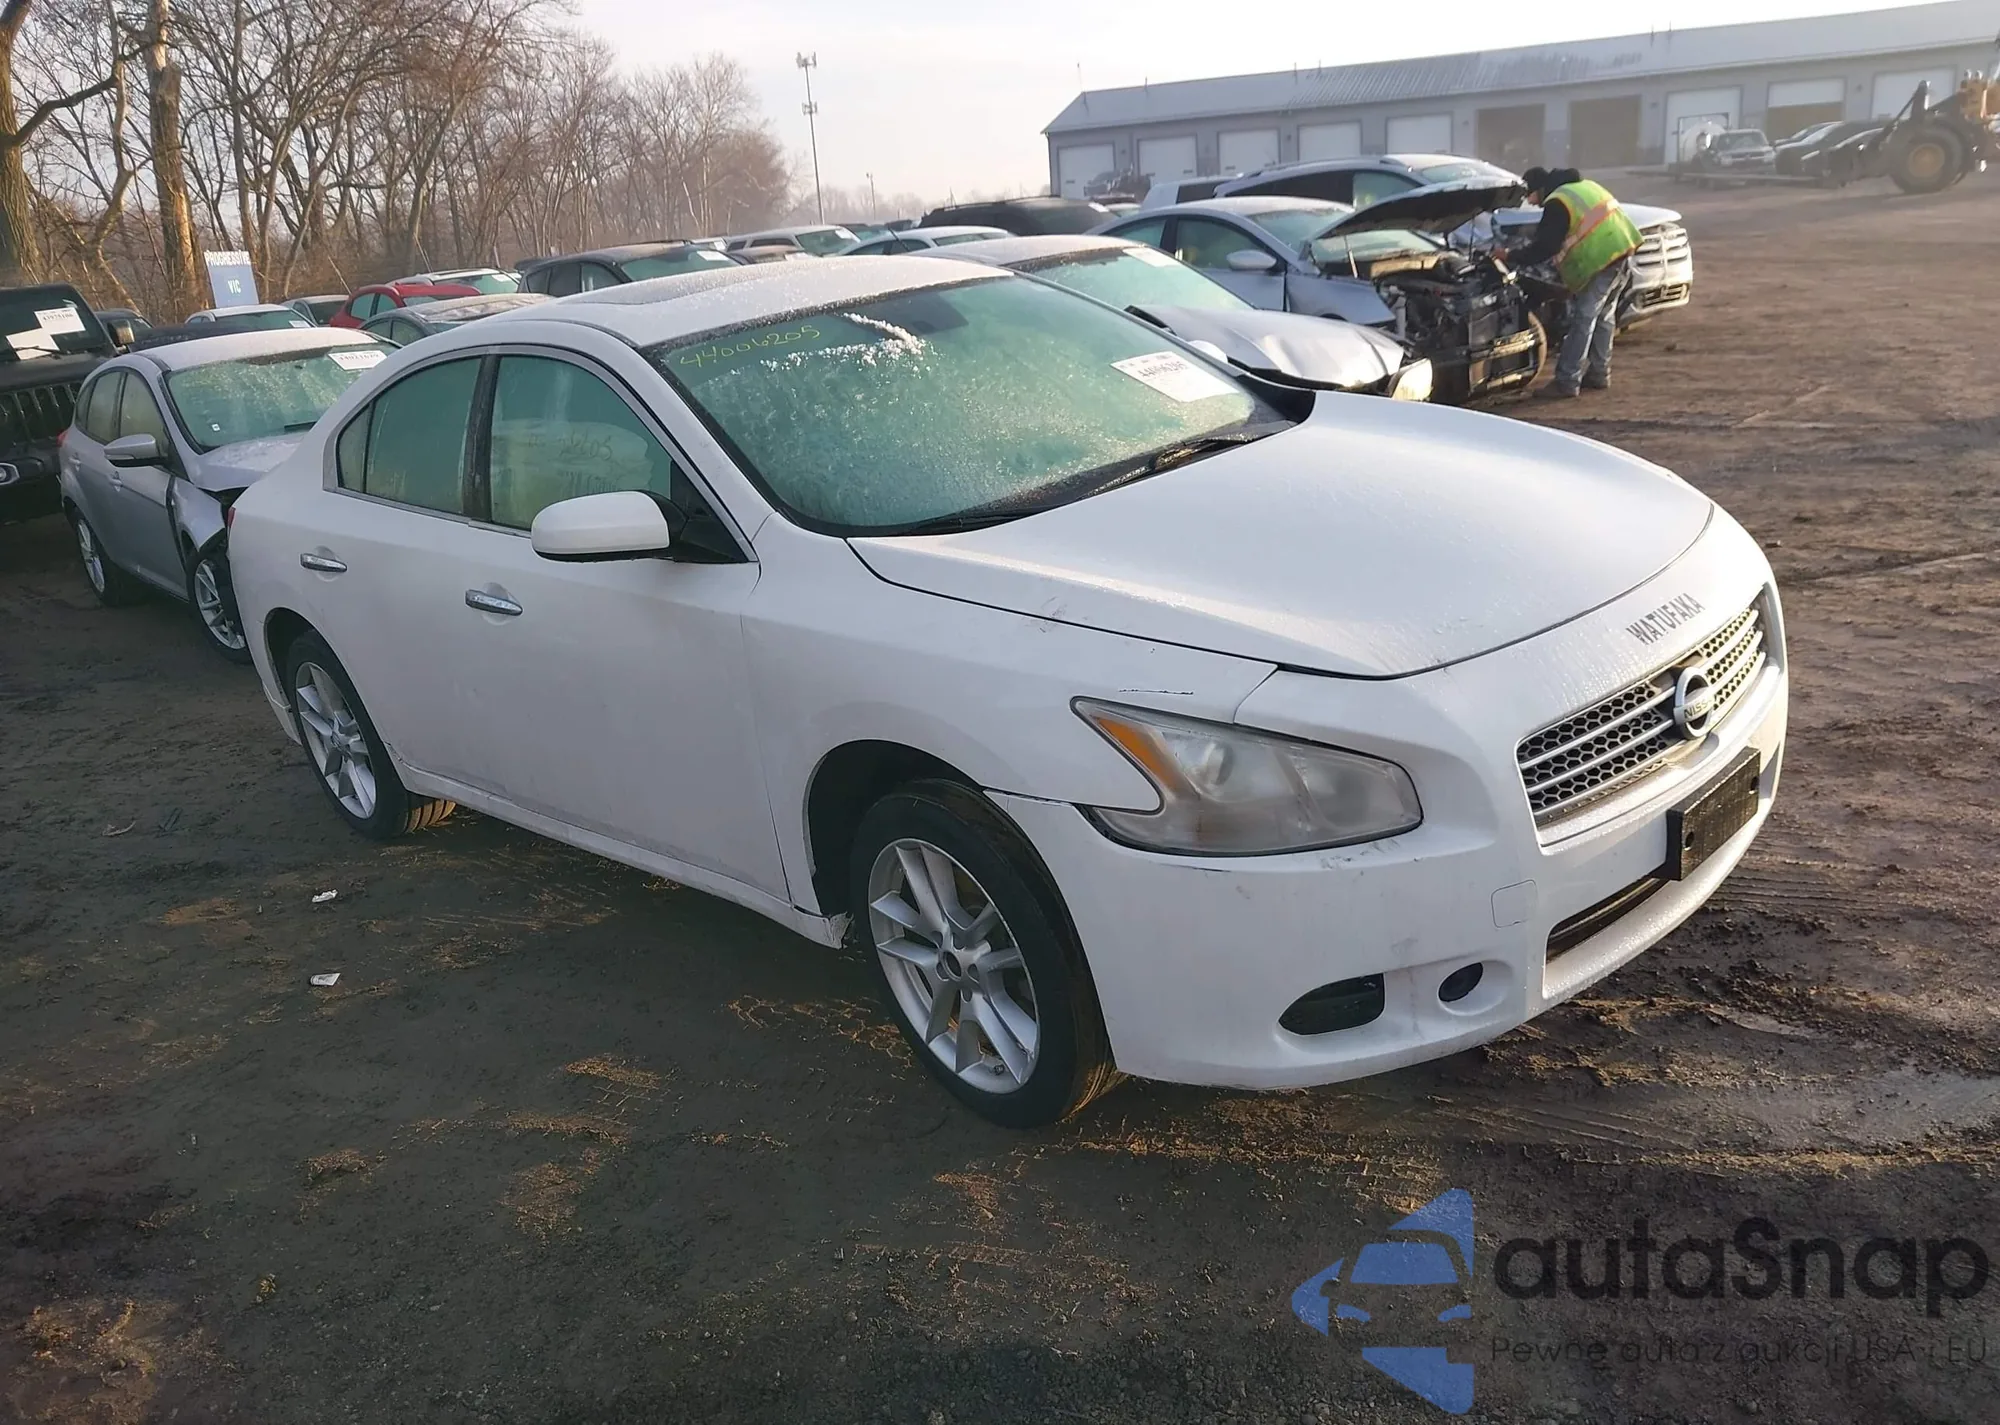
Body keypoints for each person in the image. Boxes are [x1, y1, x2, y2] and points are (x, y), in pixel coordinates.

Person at [1497, 166, 1642, 399]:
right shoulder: (1583, 187)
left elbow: (1545, 247)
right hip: (1622, 250)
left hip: (1601, 259)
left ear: (1539, 189)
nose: (1531, 203)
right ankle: (1599, 373)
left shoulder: (1557, 202)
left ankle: (1567, 381)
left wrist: (1510, 255)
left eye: (1530, 196)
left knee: (1583, 318)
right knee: (1604, 316)